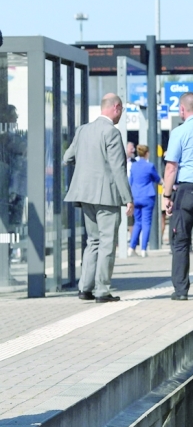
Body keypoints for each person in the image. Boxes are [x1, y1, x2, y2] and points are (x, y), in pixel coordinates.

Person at [63, 93, 133, 303]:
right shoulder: (111, 132)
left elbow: (68, 158)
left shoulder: (83, 130)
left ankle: (85, 288)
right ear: (117, 108)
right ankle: (102, 290)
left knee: (92, 241)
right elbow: (118, 168)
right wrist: (128, 198)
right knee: (106, 242)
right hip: (107, 197)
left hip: (84, 195)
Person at [163, 92, 193, 301]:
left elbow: (171, 167)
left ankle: (181, 291)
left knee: (180, 241)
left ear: (182, 109)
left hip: (186, 192)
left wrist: (166, 196)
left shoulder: (180, 132)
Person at [128, 144, 160, 257]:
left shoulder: (133, 166)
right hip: (147, 196)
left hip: (136, 196)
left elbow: (130, 181)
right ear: (147, 153)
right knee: (146, 223)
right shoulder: (149, 166)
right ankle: (143, 249)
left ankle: (131, 247)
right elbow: (157, 179)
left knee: (138, 222)